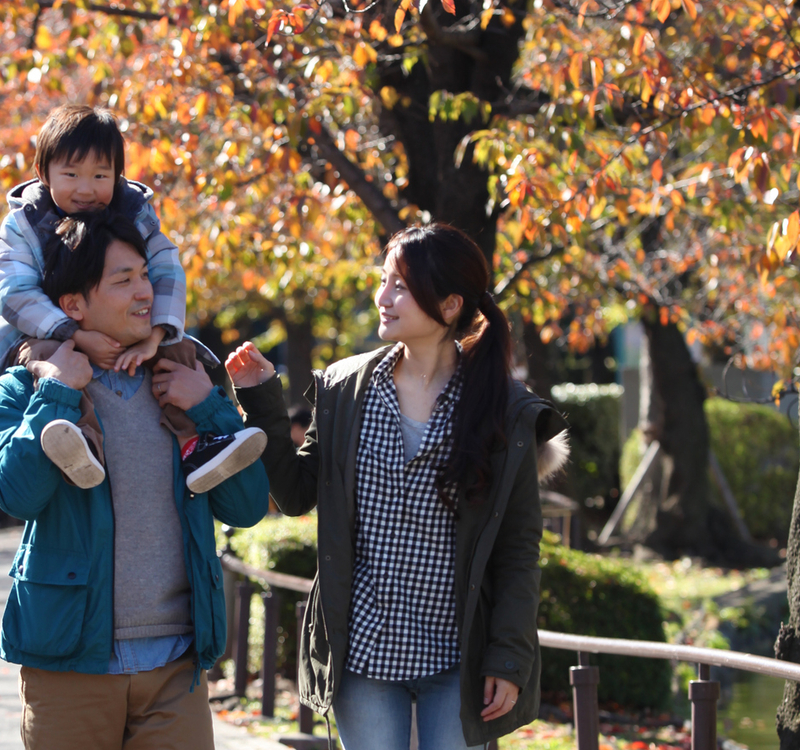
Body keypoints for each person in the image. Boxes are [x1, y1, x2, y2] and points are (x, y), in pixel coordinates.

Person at [226, 223, 570, 750]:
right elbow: (296, 495)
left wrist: (508, 655)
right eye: (384, 281)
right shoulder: (344, 391)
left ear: (451, 304)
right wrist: (263, 400)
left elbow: (519, 548)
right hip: (362, 651)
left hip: (459, 658)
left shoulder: (504, 411)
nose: (383, 298)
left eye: (400, 287)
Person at [0, 212, 270, 749]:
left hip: (175, 665)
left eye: (145, 275)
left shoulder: (184, 377)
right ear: (73, 306)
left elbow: (247, 506)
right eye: (124, 280)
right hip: (69, 661)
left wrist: (209, 406)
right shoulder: (21, 389)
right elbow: (15, 494)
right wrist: (58, 395)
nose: (146, 292)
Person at [0, 103, 265, 493]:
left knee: (180, 354)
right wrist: (73, 333)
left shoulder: (133, 210)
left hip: (114, 329)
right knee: (46, 359)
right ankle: (80, 440)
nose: (86, 189)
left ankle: (198, 445)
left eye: (100, 175)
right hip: (37, 326)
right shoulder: (23, 221)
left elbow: (165, 267)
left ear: (118, 176)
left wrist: (158, 334)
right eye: (71, 174)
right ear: (43, 172)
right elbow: (12, 292)